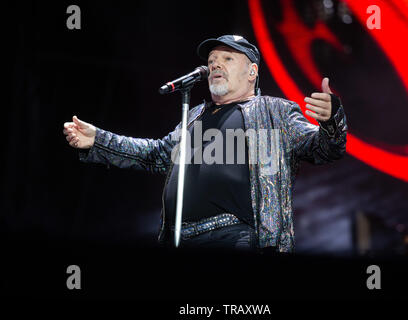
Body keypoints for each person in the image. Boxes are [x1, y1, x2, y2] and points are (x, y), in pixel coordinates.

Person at [63, 35, 347, 253]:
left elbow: (325, 148)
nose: (215, 64)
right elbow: (155, 155)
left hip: (238, 235)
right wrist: (98, 140)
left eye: (227, 58)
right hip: (178, 236)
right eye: (212, 60)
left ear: (252, 72)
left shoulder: (275, 112)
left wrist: (332, 119)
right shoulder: (195, 116)